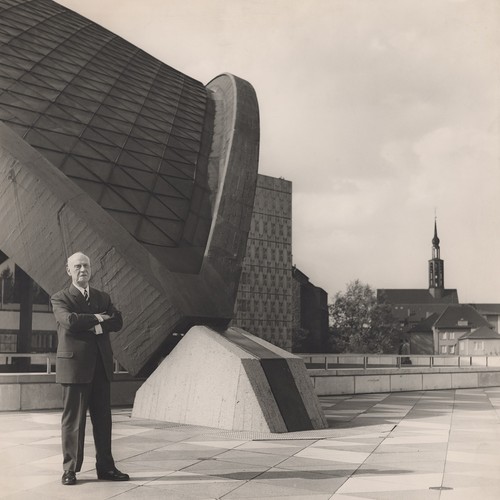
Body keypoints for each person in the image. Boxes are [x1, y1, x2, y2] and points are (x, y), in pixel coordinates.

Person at [51, 251, 129, 486]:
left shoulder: (102, 296)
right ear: (69, 270)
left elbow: (117, 321)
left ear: (91, 269)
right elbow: (70, 322)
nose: (82, 270)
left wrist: (93, 325)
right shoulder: (60, 298)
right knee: (73, 421)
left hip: (100, 367)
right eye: (77, 266)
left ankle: (106, 468)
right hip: (74, 368)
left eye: (86, 265)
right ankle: (70, 469)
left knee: (103, 419)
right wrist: (99, 318)